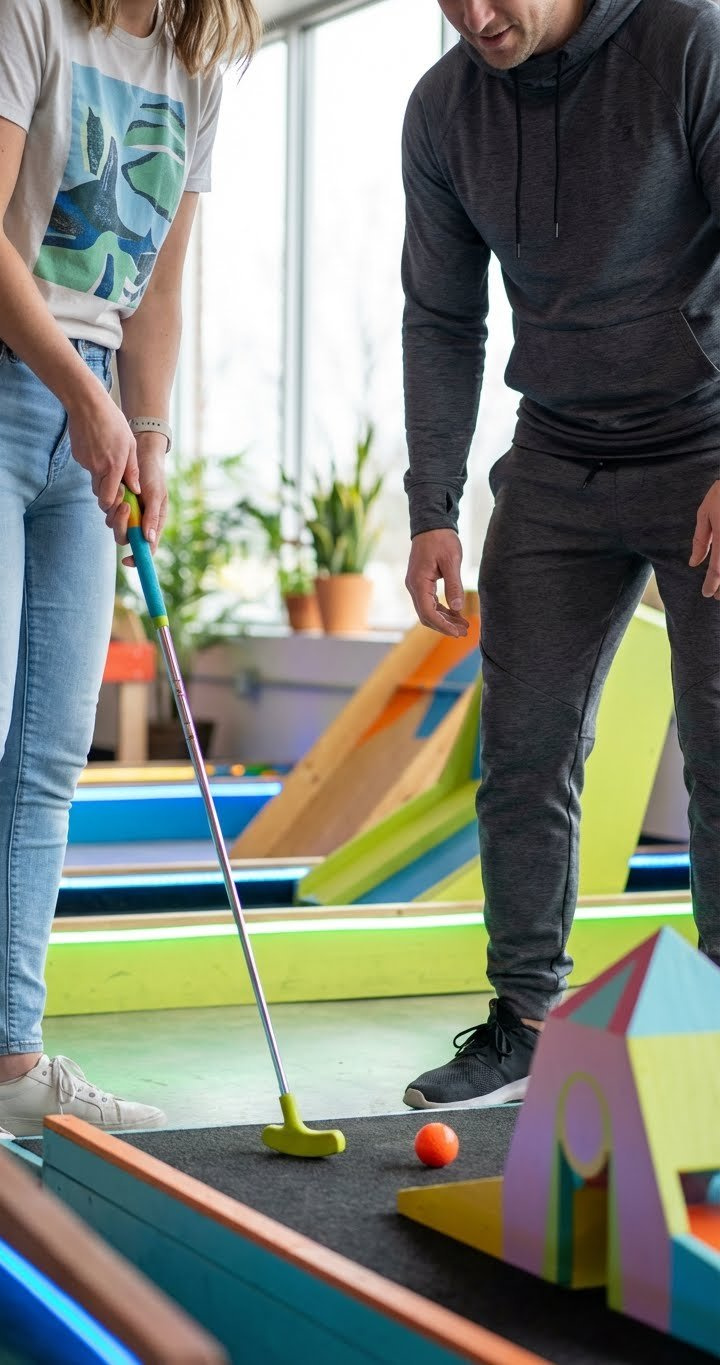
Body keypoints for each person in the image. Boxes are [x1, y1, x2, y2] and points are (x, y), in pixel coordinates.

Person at [401, 0, 720, 1109]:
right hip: (555, 456)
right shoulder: (443, 108)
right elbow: (441, 317)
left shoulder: (690, 41)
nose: (476, 15)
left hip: (706, 442)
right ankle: (525, 1021)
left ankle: (717, 1040)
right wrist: (431, 506)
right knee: (525, 749)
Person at [0, 0, 259, 1141]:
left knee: (44, 758)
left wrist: (153, 428)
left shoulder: (199, 58)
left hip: (92, 410)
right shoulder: (15, 13)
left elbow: (160, 284)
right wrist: (91, 401)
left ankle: (10, 1061)